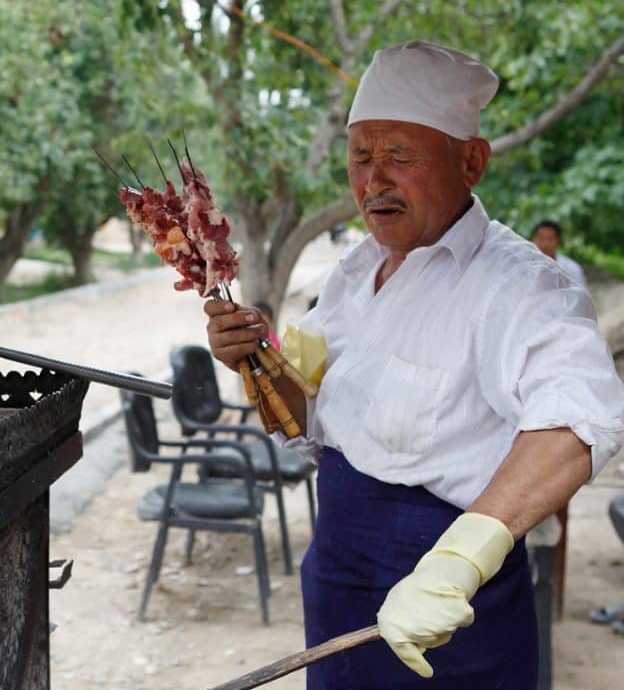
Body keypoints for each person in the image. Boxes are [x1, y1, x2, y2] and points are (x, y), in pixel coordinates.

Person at [204, 41, 624, 688]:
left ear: (472, 161)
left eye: (399, 156)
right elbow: (306, 417)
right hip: (338, 569)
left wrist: (457, 562)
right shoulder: (352, 274)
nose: (374, 182)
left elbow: (580, 420)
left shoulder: (520, 287)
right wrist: (253, 362)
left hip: (453, 605)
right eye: (360, 158)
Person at [531, 219, 588, 288]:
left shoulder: (572, 269)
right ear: (533, 239)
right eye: (541, 238)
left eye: (550, 239)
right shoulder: (525, 268)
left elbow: (582, 296)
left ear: (558, 240)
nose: (545, 244)